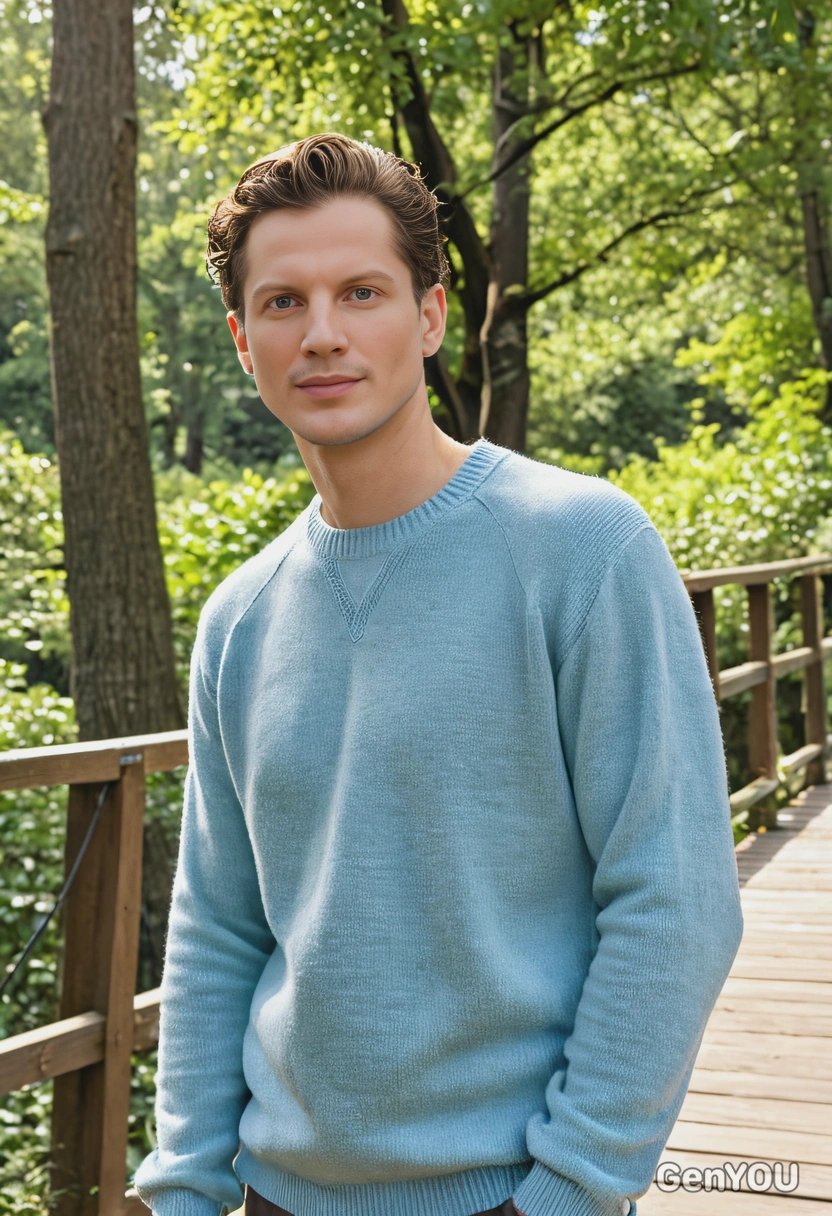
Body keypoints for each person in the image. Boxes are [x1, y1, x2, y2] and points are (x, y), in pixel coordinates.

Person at [133, 133, 744, 1216]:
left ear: (427, 316)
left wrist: (571, 1188)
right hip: (276, 1193)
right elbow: (218, 927)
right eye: (282, 303)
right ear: (241, 340)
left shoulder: (582, 549)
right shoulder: (239, 619)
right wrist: (181, 1186)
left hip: (511, 1193)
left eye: (360, 291)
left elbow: (674, 897)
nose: (322, 334)